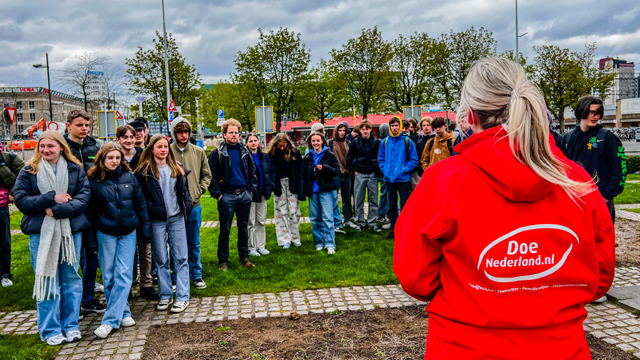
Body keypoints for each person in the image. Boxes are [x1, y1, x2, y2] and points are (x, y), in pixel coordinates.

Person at [394, 57, 615, 359]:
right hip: (561, 347)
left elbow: (415, 276)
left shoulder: (443, 181)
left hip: (463, 346)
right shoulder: (577, 182)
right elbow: (600, 275)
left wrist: (474, 291)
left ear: (470, 115)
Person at [14, 131, 91, 345]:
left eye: (51, 146)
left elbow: (84, 198)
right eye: (42, 146)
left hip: (70, 234)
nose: (46, 150)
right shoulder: (29, 170)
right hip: (41, 234)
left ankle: (71, 325)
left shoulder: (75, 169)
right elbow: (21, 200)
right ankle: (50, 329)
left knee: (71, 280)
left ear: (61, 147)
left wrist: (58, 210)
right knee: (47, 280)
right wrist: (50, 198)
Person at [87, 144, 152, 338]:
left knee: (123, 274)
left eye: (117, 157)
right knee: (108, 276)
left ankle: (109, 321)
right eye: (110, 158)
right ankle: (123, 312)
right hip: (105, 233)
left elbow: (141, 205)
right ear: (102, 159)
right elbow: (89, 213)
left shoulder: (129, 178)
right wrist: (91, 241)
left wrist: (146, 231)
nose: (114, 161)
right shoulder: (94, 181)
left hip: (128, 232)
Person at [135, 134, 193, 313]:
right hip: (156, 220)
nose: (163, 150)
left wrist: (187, 207)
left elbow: (185, 193)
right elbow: (141, 199)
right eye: (159, 146)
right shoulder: (144, 172)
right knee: (160, 259)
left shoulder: (177, 168)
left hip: (176, 218)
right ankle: (166, 295)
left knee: (181, 258)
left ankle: (183, 296)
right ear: (151, 149)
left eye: (166, 146)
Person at [62, 110, 105, 315]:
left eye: (87, 125)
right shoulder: (62, 148)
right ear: (68, 125)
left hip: (93, 209)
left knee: (91, 255)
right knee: (71, 257)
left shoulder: (95, 146)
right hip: (70, 210)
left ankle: (88, 299)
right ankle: (72, 303)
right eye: (80, 125)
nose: (84, 129)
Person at [561, 96, 626, 224]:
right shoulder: (568, 138)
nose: (595, 116)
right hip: (574, 201)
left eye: (598, 113)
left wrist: (606, 195)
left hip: (600, 202)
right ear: (581, 112)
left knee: (601, 242)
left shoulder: (607, 138)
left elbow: (620, 169)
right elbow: (562, 168)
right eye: (591, 112)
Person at [208, 119, 257, 271]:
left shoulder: (245, 152)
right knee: (225, 230)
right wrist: (218, 195)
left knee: (243, 229)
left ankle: (244, 257)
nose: (234, 135)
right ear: (224, 134)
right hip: (227, 196)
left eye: (236, 132)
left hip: (244, 195)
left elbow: (253, 173)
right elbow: (211, 176)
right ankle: (223, 261)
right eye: (231, 132)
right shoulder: (217, 154)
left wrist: (251, 191)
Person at [169, 117, 212, 290]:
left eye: (186, 132)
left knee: (194, 241)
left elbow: (206, 175)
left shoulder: (198, 151)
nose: (183, 135)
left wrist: (198, 191)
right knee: (174, 242)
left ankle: (196, 274)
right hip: (174, 207)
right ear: (174, 133)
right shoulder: (167, 151)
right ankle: (175, 275)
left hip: (194, 205)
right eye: (180, 132)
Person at [116, 125, 157, 300]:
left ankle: (146, 284)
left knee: (145, 250)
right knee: (126, 253)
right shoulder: (115, 158)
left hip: (143, 210)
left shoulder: (144, 157)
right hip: (122, 212)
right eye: (124, 137)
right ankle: (128, 286)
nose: (129, 140)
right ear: (118, 139)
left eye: (131, 136)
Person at [378, 116, 419, 239]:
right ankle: (394, 229)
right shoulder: (385, 142)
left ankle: (406, 228)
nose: (394, 128)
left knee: (405, 205)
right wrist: (385, 170)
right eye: (392, 125)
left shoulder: (407, 142)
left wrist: (405, 169)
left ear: (400, 126)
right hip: (389, 179)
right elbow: (381, 159)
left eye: (396, 125)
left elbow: (414, 159)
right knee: (392, 205)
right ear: (390, 127)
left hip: (403, 179)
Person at [300, 132, 340, 254]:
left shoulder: (330, 155)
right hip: (313, 191)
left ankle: (330, 243)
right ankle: (319, 242)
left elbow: (337, 171)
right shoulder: (307, 157)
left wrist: (325, 168)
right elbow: (303, 175)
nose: (316, 143)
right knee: (315, 218)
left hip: (325, 191)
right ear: (310, 143)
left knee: (327, 217)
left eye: (318, 140)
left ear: (322, 141)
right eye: (313, 141)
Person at [267, 133, 302, 249]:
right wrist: (273, 186)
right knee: (280, 213)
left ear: (287, 143)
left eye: (283, 145)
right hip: (278, 185)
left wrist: (297, 184)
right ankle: (284, 239)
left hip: (292, 184)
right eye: (279, 146)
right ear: (275, 144)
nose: (281, 148)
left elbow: (299, 169)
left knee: (294, 212)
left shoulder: (295, 153)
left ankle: (295, 237)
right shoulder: (271, 155)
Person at [346, 120, 381, 232]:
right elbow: (349, 159)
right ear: (360, 130)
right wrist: (354, 170)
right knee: (358, 200)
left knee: (373, 200)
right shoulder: (355, 143)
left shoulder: (376, 142)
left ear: (371, 129)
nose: (365, 131)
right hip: (359, 174)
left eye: (367, 129)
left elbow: (380, 158)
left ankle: (372, 222)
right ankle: (359, 222)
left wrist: (376, 170)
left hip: (372, 174)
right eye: (363, 129)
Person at [245, 133, 276, 257]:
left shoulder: (266, 157)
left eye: (255, 140)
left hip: (263, 192)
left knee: (260, 221)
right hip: (250, 194)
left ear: (259, 142)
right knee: (250, 221)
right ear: (246, 143)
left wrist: (270, 186)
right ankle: (251, 247)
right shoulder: (245, 157)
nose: (253, 143)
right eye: (250, 141)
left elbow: (272, 173)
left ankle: (261, 245)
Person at [0, 144, 24, 287]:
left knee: (3, 241)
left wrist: (12, 192)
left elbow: (25, 174)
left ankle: (4, 274)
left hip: (1, 205)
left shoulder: (7, 158)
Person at [329, 122, 355, 229]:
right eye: (340, 130)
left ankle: (347, 219)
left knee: (347, 198)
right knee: (333, 199)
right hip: (335, 175)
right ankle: (333, 220)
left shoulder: (348, 143)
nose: (342, 133)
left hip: (347, 174)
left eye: (344, 130)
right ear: (336, 131)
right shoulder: (330, 143)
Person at [376, 123, 391, 227]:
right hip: (385, 172)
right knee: (386, 194)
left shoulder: (378, 141)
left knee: (384, 194)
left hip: (379, 171)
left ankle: (382, 214)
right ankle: (382, 214)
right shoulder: (386, 142)